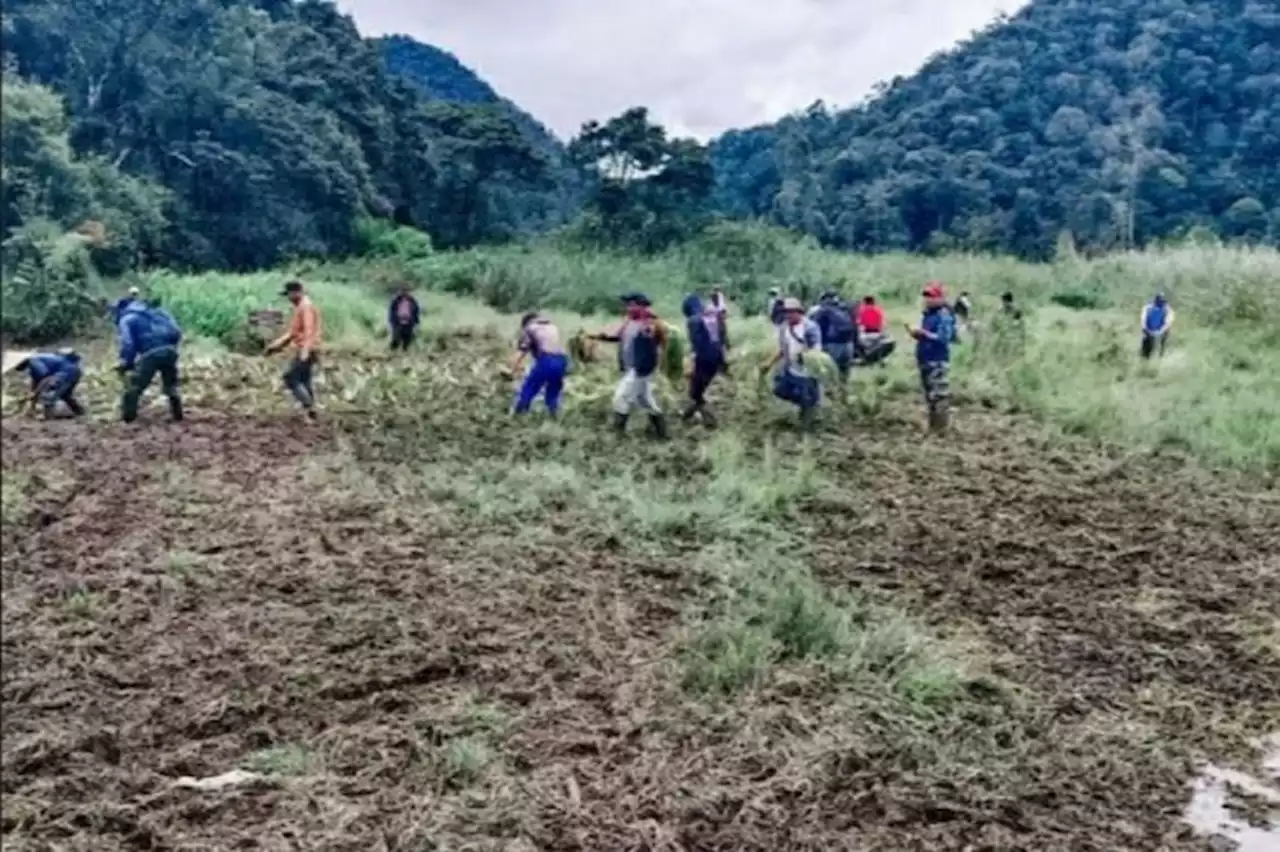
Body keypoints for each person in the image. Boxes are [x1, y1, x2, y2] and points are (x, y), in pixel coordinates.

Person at [592, 293, 669, 437]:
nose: (628, 308)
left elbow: (653, 342)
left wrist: (650, 366)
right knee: (645, 400)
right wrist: (600, 337)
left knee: (621, 398)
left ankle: (618, 435)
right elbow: (619, 337)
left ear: (641, 305)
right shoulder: (629, 322)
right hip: (631, 368)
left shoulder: (649, 323)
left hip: (640, 369)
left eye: (631, 304)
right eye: (627, 305)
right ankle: (662, 432)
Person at [117, 299, 184, 423]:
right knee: (171, 385)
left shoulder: (127, 319)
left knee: (134, 386)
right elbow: (177, 331)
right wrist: (172, 349)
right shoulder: (160, 313)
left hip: (150, 353)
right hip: (170, 351)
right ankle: (178, 415)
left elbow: (128, 343)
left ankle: (128, 419)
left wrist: (127, 362)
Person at [761, 297, 823, 429]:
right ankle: (809, 406)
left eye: (791, 312)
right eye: (786, 312)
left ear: (799, 312)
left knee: (807, 399)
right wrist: (769, 363)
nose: (788, 315)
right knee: (779, 390)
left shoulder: (810, 327)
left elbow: (816, 349)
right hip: (790, 369)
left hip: (807, 371)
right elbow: (783, 349)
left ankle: (808, 426)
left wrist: (805, 356)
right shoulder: (784, 328)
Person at [906, 281, 957, 433]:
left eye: (932, 296)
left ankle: (941, 428)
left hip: (937, 359)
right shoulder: (928, 314)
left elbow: (944, 337)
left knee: (939, 395)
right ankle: (933, 426)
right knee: (929, 394)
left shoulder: (943, 315)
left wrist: (924, 334)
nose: (928, 299)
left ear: (940, 298)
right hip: (926, 358)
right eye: (926, 296)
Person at [266, 280, 322, 418]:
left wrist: (305, 351)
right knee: (304, 379)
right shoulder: (301, 307)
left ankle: (309, 406)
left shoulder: (306, 307)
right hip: (308, 348)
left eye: (289, 295)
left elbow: (308, 331)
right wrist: (276, 346)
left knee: (290, 377)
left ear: (296, 293)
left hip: (307, 348)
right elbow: (292, 333)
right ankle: (311, 411)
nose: (288, 299)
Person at [510, 312, 569, 417]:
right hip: (562, 361)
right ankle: (554, 416)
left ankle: (518, 416)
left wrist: (511, 370)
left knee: (529, 388)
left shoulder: (530, 329)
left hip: (547, 360)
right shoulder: (552, 327)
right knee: (553, 390)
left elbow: (520, 352)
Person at [681, 293, 727, 426]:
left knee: (696, 392)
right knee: (698, 390)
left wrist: (691, 363)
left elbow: (697, 344)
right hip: (716, 357)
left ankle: (711, 420)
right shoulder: (712, 317)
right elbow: (722, 337)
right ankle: (687, 415)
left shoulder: (693, 321)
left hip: (704, 358)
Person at [12, 349, 85, 419]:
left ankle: (48, 416)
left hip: (65, 373)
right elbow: (35, 382)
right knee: (65, 394)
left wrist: (35, 393)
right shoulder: (35, 362)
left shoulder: (33, 361)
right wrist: (32, 401)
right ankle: (80, 412)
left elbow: (46, 378)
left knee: (49, 393)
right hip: (74, 371)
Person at [810, 290, 857, 386]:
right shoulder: (845, 309)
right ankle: (843, 393)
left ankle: (831, 394)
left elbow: (814, 328)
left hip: (832, 345)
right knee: (844, 372)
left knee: (829, 373)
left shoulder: (823, 310)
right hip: (848, 345)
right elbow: (855, 327)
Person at [1140, 292, 1174, 359]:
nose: (1159, 303)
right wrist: (1146, 328)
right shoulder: (1148, 307)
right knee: (1145, 351)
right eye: (1158, 300)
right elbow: (1143, 319)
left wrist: (1159, 332)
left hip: (1161, 333)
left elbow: (1168, 322)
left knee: (1159, 350)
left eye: (1161, 301)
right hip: (1148, 332)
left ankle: (1159, 358)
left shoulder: (1167, 310)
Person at [387, 286, 420, 351]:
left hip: (408, 322)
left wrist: (416, 322)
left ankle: (404, 352)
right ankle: (392, 352)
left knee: (407, 339)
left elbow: (416, 311)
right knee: (396, 339)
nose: (405, 292)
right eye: (403, 291)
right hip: (398, 322)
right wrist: (392, 322)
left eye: (406, 291)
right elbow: (391, 312)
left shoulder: (412, 300)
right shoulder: (396, 300)